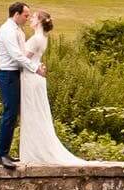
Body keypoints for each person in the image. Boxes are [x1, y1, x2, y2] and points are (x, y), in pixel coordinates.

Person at [18, 10, 86, 165]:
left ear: (40, 21)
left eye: (34, 17)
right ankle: (33, 152)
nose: (30, 20)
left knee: (32, 114)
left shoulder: (36, 39)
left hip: (31, 78)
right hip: (36, 77)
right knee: (36, 113)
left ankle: (33, 154)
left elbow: (22, 60)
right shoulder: (43, 38)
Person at [0, 1, 41, 169]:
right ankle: (0, 154)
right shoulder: (7, 31)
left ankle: (4, 152)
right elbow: (16, 56)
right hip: (7, 75)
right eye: (26, 15)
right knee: (10, 113)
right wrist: (35, 69)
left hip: (15, 74)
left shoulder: (18, 30)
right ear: (16, 14)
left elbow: (23, 54)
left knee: (13, 114)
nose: (28, 18)